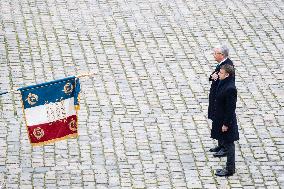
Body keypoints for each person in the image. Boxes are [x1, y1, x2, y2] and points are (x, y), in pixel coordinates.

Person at [212, 64, 239, 177]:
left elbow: (230, 108)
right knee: (227, 143)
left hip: (227, 121)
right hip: (221, 118)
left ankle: (230, 169)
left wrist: (226, 124)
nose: (219, 74)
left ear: (227, 75)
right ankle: (229, 168)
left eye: (221, 73)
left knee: (229, 145)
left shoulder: (230, 89)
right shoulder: (224, 83)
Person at [208, 45, 234, 157]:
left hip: (221, 98)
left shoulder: (227, 65)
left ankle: (224, 147)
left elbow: (224, 80)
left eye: (215, 53)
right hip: (216, 96)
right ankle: (220, 144)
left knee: (220, 121)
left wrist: (215, 77)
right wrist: (212, 76)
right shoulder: (221, 64)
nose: (214, 55)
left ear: (221, 55)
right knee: (216, 120)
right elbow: (214, 75)